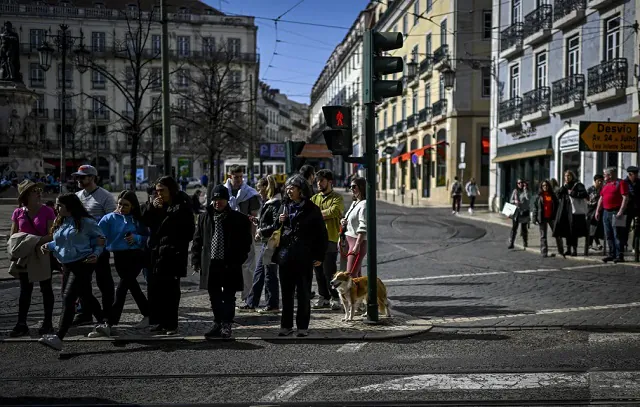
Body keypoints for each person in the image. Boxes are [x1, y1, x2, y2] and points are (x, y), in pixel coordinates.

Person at [38, 194, 106, 351]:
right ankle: (104, 322)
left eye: (60, 205)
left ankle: (59, 337)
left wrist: (96, 253)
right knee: (85, 295)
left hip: (83, 263)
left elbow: (100, 239)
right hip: (67, 264)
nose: (56, 208)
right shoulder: (61, 221)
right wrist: (49, 246)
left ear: (70, 206)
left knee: (68, 298)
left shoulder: (87, 222)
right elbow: (62, 241)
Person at [191, 185, 253, 339]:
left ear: (227, 200)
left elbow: (246, 241)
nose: (218, 202)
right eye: (215, 199)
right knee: (214, 295)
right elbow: (198, 240)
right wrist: (196, 259)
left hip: (230, 262)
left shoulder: (238, 218)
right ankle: (218, 323)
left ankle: (226, 324)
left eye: (221, 199)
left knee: (229, 295)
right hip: (211, 262)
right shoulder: (205, 217)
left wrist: (240, 258)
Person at [274, 175, 327, 337]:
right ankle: (286, 325)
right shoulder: (284, 206)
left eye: (293, 188)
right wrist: (279, 221)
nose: (289, 191)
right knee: (287, 293)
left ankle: (302, 327)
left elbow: (321, 235)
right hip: (285, 257)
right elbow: (274, 230)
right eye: (288, 188)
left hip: (304, 257)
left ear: (301, 190)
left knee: (303, 293)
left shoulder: (312, 209)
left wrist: (319, 255)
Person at [141, 176, 195, 335]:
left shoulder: (182, 205)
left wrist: (174, 244)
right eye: (157, 191)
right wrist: (153, 208)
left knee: (170, 291)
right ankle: (158, 321)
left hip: (173, 253)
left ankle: (171, 324)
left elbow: (189, 231)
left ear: (171, 190)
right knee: (155, 289)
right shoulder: (155, 205)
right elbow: (145, 221)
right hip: (156, 252)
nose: (159, 194)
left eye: (162, 191)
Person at [94, 191, 150, 336]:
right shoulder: (109, 218)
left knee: (122, 288)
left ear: (132, 206)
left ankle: (109, 322)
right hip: (119, 255)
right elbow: (99, 235)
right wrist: (97, 248)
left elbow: (148, 238)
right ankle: (149, 314)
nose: (122, 207)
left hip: (136, 255)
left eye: (126, 205)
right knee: (132, 286)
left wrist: (136, 238)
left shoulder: (138, 219)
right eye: (120, 204)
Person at [8, 180, 56, 337]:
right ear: (26, 195)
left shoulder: (48, 211)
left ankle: (47, 322)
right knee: (25, 290)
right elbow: (13, 236)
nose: (38, 193)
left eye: (38, 190)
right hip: (26, 256)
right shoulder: (18, 213)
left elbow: (52, 234)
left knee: (46, 288)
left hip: (42, 253)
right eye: (34, 191)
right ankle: (21, 323)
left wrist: (33, 240)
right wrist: (26, 244)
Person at [72, 165, 117, 326]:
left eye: (81, 177)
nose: (78, 180)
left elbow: (113, 221)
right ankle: (85, 312)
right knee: (82, 282)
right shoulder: (77, 196)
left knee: (103, 281)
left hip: (99, 247)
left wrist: (104, 242)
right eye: (77, 177)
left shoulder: (105, 196)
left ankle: (107, 312)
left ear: (92, 178)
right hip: (81, 248)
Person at [239, 176, 282, 313]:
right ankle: (252, 302)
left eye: (259, 189)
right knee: (260, 273)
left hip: (271, 242)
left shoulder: (275, 203)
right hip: (266, 242)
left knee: (269, 274)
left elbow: (276, 224)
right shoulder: (270, 202)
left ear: (266, 188)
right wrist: (259, 222)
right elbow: (270, 221)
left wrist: (261, 231)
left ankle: (272, 304)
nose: (258, 192)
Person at [224, 165, 261, 304]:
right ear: (230, 177)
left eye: (241, 176)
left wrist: (252, 236)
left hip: (245, 234)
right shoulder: (223, 192)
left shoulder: (249, 193)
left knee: (248, 267)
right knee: (227, 266)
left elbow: (253, 216)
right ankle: (227, 295)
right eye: (236, 177)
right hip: (227, 235)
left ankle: (248, 297)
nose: (239, 179)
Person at [310, 169, 344, 311]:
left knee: (329, 270)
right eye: (317, 181)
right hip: (315, 240)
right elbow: (308, 212)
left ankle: (335, 297)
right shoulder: (315, 198)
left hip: (330, 238)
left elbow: (334, 211)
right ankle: (323, 297)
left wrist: (316, 215)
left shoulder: (337, 197)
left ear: (330, 182)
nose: (319, 183)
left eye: (322, 180)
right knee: (317, 270)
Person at [596, 167, 629, 263]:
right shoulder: (606, 185)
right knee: (608, 234)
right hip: (606, 212)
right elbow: (601, 198)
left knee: (617, 234)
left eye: (604, 174)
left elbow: (625, 197)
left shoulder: (621, 183)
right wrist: (598, 211)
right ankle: (611, 254)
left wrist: (621, 211)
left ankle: (619, 255)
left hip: (616, 211)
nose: (603, 176)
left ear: (610, 175)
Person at [553, 170, 588, 257]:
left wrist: (572, 193)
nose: (567, 177)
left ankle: (574, 250)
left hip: (574, 211)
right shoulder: (565, 186)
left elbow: (584, 194)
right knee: (566, 230)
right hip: (565, 211)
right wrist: (562, 188)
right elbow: (557, 195)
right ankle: (568, 249)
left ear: (572, 176)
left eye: (569, 176)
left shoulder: (578, 185)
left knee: (574, 231)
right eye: (565, 176)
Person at [341, 177, 367, 277]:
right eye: (350, 186)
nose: (351, 189)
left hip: (357, 242)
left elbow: (363, 226)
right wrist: (343, 221)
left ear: (361, 187)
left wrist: (357, 245)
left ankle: (354, 293)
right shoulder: (355, 202)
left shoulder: (364, 204)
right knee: (356, 276)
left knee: (350, 275)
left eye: (354, 186)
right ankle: (361, 293)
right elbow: (348, 217)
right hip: (349, 241)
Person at [532, 180, 559, 258]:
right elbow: (535, 208)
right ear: (541, 187)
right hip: (542, 218)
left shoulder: (553, 195)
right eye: (543, 185)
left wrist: (557, 216)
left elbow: (557, 206)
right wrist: (534, 218)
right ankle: (544, 252)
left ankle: (561, 250)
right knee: (543, 236)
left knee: (557, 233)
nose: (545, 187)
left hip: (552, 217)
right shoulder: (539, 196)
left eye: (546, 185)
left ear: (549, 186)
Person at [620, 166, 640, 253]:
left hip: (638, 208)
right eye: (635, 174)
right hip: (627, 209)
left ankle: (635, 246)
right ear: (630, 174)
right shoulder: (624, 182)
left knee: (638, 228)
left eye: (637, 174)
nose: (636, 176)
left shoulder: (639, 182)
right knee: (625, 227)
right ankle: (624, 244)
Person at [508, 179, 530, 249]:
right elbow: (510, 200)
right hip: (516, 211)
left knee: (524, 228)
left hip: (524, 211)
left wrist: (525, 190)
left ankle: (525, 242)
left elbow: (528, 198)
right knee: (514, 227)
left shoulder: (526, 191)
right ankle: (511, 243)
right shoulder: (515, 191)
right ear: (517, 184)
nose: (520, 184)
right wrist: (515, 201)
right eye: (518, 183)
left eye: (521, 183)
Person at [587, 174, 605, 251]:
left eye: (601, 181)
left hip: (600, 211)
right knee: (592, 227)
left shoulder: (603, 189)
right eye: (599, 181)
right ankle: (592, 244)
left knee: (597, 228)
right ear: (595, 181)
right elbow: (585, 198)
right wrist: (589, 202)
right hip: (591, 211)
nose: (600, 182)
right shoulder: (590, 189)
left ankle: (594, 244)